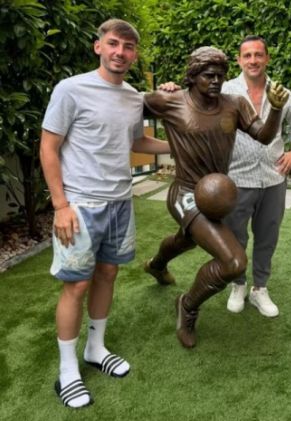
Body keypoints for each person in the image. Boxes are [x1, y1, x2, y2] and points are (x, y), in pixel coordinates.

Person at [40, 19, 171, 408]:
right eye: (113, 43)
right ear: (98, 46)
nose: (120, 52)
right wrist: (60, 206)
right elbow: (48, 147)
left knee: (108, 273)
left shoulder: (132, 97)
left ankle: (95, 348)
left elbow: (137, 141)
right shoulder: (71, 89)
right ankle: (67, 371)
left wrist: (178, 146)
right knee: (76, 286)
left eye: (128, 47)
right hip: (80, 205)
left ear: (134, 54)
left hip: (120, 202)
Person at [142, 46, 288, 348]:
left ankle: (156, 264)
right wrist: (160, 90)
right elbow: (123, 105)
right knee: (233, 262)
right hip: (185, 193)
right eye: (209, 75)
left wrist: (275, 110)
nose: (216, 81)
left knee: (187, 239)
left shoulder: (235, 104)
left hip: (219, 196)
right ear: (193, 76)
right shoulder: (170, 101)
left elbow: (264, 136)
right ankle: (187, 306)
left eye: (221, 75)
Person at [220, 35, 291, 317]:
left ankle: (260, 288)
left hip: (273, 178)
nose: (253, 60)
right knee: (235, 236)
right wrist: (171, 89)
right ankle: (238, 284)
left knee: (267, 236)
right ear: (239, 60)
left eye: (258, 54)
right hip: (237, 178)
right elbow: (195, 102)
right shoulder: (225, 91)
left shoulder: (282, 93)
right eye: (247, 55)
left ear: (267, 58)